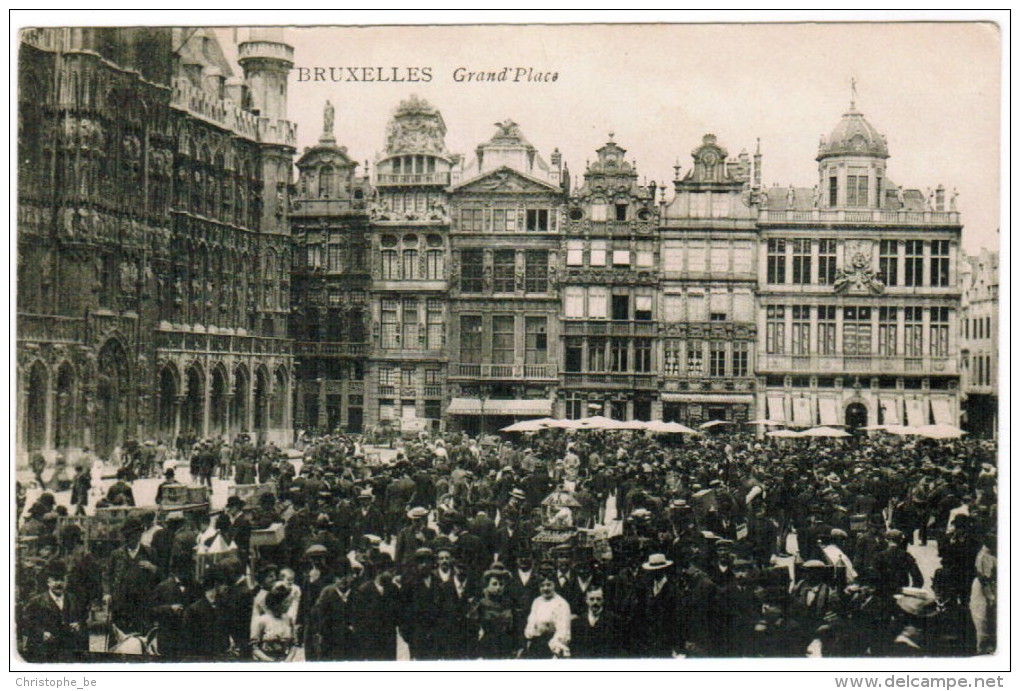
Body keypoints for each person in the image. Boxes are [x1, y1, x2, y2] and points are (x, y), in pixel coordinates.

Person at [19, 559, 87, 662]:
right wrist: (41, 633)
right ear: (48, 582)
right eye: (55, 580)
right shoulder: (36, 601)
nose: (59, 583)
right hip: (43, 651)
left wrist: (78, 624)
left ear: (66, 581)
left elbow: (84, 619)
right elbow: (24, 623)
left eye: (62, 580)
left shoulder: (74, 600)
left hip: (68, 650)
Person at [470, 562, 519, 659]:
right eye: (494, 584)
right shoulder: (480, 603)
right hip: (487, 646)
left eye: (501, 584)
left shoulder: (509, 603)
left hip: (506, 646)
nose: (498, 587)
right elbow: (472, 629)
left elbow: (514, 627)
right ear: (487, 585)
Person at [524, 571, 572, 658]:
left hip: (552, 646)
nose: (545, 588)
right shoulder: (537, 601)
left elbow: (563, 630)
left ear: (554, 585)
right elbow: (531, 624)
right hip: (536, 644)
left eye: (549, 585)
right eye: (542, 585)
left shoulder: (561, 603)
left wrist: (556, 650)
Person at [251, 582, 297, 661]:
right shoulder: (262, 621)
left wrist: (288, 660)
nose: (289, 606)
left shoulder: (289, 620)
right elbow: (254, 647)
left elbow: (294, 644)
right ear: (276, 603)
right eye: (285, 602)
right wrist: (269, 661)